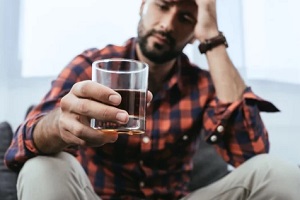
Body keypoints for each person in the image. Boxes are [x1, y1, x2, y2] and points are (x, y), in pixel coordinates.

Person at [4, 0, 300, 199]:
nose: (168, 24)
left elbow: (252, 155)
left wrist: (212, 36)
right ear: (143, 6)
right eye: (162, 5)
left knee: (276, 173)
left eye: (185, 18)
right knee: (42, 166)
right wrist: (57, 126)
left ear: (195, 33)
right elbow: (18, 149)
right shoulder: (92, 66)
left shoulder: (204, 85)